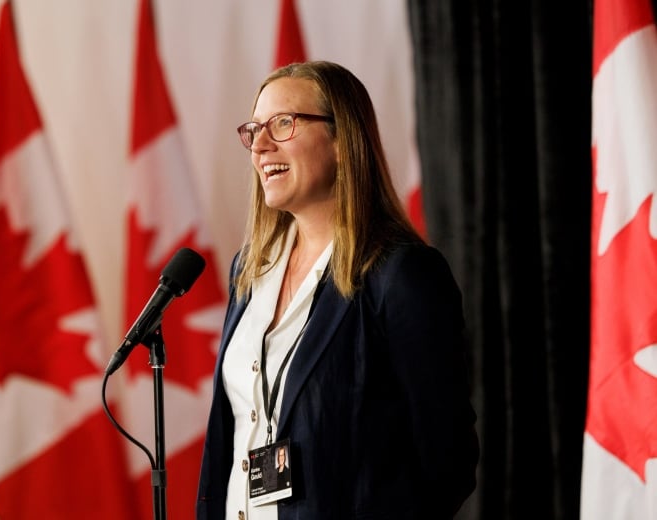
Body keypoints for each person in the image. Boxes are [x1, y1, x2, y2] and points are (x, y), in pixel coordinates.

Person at [196, 60, 479, 520]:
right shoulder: (249, 272)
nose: (260, 145)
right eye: (254, 130)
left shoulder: (400, 274)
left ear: (343, 141)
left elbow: (448, 460)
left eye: (283, 124)